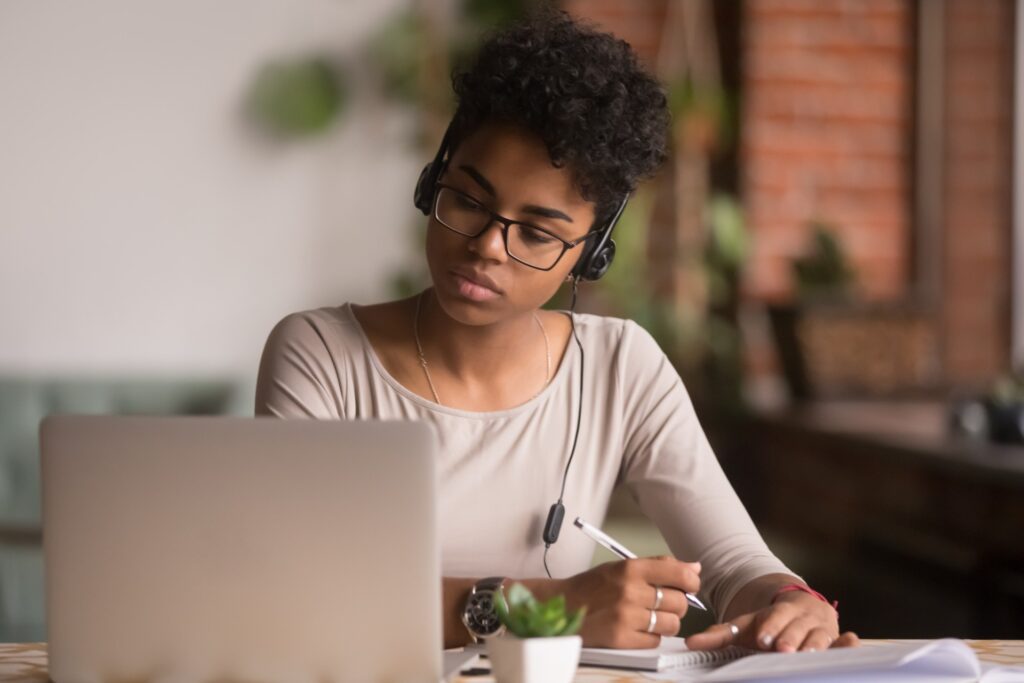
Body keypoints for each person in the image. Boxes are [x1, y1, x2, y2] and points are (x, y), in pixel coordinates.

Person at [255, 10, 859, 653]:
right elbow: (301, 590)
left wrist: (792, 605)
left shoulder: (620, 366)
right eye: (466, 200)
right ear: (433, 181)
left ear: (589, 255)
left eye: (537, 233)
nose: (487, 246)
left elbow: (735, 563)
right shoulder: (321, 356)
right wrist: (548, 605)